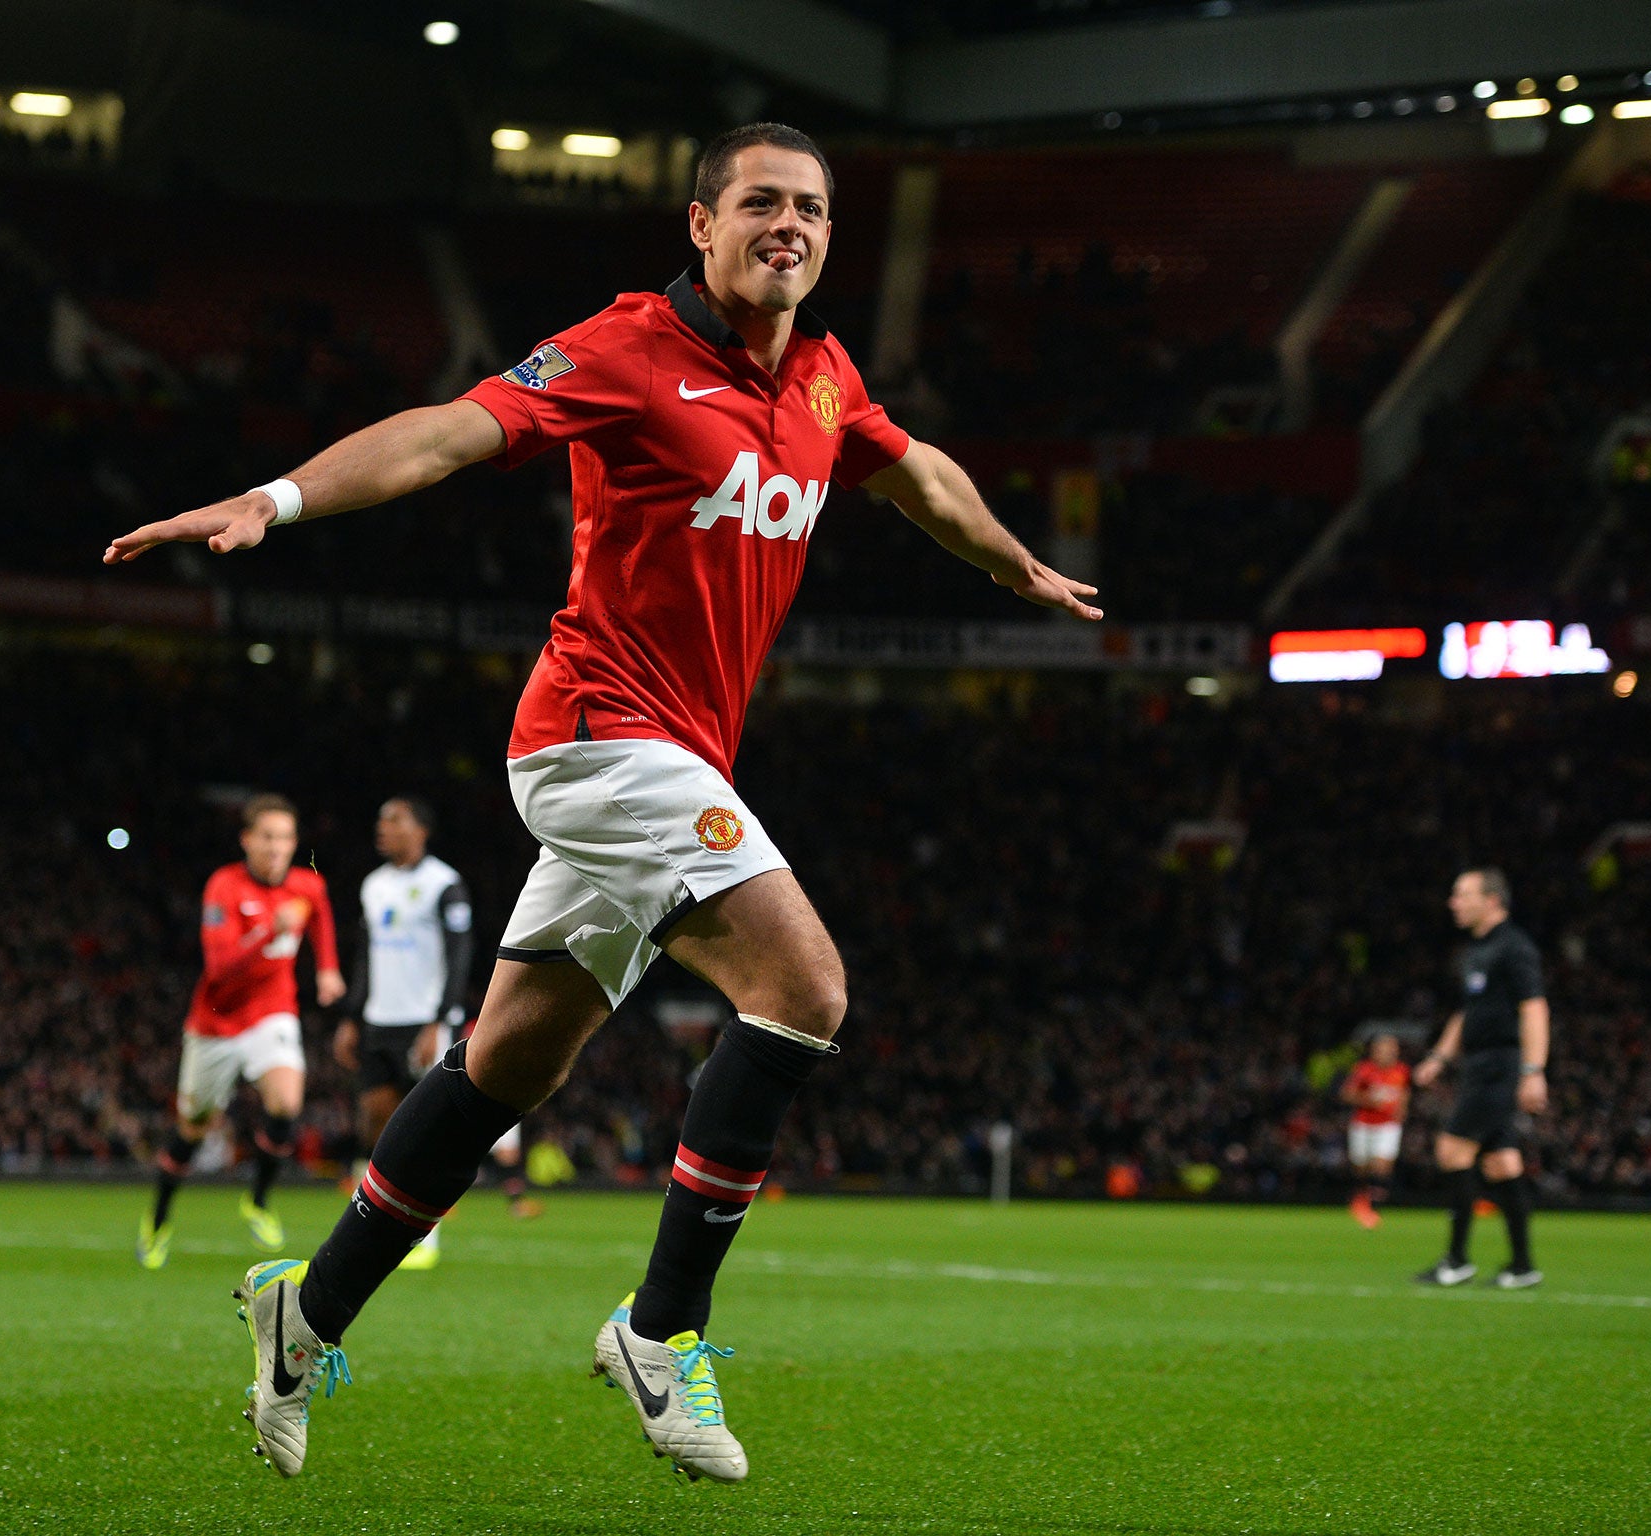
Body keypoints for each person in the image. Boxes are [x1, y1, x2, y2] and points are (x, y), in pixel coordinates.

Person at [104, 121, 1098, 1482]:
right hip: (596, 739)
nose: (789, 225)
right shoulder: (628, 350)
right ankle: (660, 1327)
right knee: (804, 990)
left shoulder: (821, 376)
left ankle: (307, 1311)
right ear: (701, 222)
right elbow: (454, 434)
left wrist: (1014, 566)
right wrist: (278, 499)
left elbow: (915, 472)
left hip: (679, 759)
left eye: (810, 207)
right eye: (761, 202)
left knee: (508, 1063)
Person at [137, 794, 345, 1269]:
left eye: (285, 837)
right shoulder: (224, 887)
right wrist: (266, 933)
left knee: (286, 1103)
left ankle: (258, 1201)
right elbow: (218, 968)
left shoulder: (306, 886)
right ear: (247, 840)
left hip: (273, 1013)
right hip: (215, 1023)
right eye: (267, 837)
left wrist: (328, 970)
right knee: (192, 1129)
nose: (276, 847)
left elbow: (322, 920)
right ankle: (158, 1220)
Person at [333, 796, 480, 1271]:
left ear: (421, 829)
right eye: (380, 820)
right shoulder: (373, 886)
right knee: (374, 1118)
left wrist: (441, 1019)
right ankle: (369, 1228)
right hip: (379, 1020)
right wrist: (352, 1017)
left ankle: (425, 1238)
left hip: (423, 1022)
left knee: (424, 1132)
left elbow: (461, 954)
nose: (382, 827)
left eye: (393, 819)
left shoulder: (445, 884)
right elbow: (364, 957)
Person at [1412, 868, 1549, 1289]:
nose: (1453, 902)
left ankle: (1456, 1261)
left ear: (1491, 900)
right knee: (1501, 1162)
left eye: (1461, 894)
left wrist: (1533, 1070)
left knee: (1452, 1149)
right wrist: (1439, 1055)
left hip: (1499, 1065)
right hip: (1478, 1063)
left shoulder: (1513, 948)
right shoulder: (1477, 950)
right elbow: (1467, 1012)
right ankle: (1522, 1266)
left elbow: (1534, 1008)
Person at [1340, 1031, 1409, 1228]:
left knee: (1382, 1166)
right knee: (1361, 1167)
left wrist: (1402, 1109)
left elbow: (1403, 1092)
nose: (1389, 1052)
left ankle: (1374, 1207)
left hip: (1388, 1126)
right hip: (1363, 1124)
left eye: (1392, 1048)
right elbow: (1346, 1094)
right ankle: (1360, 1198)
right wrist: (1369, 1100)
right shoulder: (1364, 1070)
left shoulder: (1401, 1071)